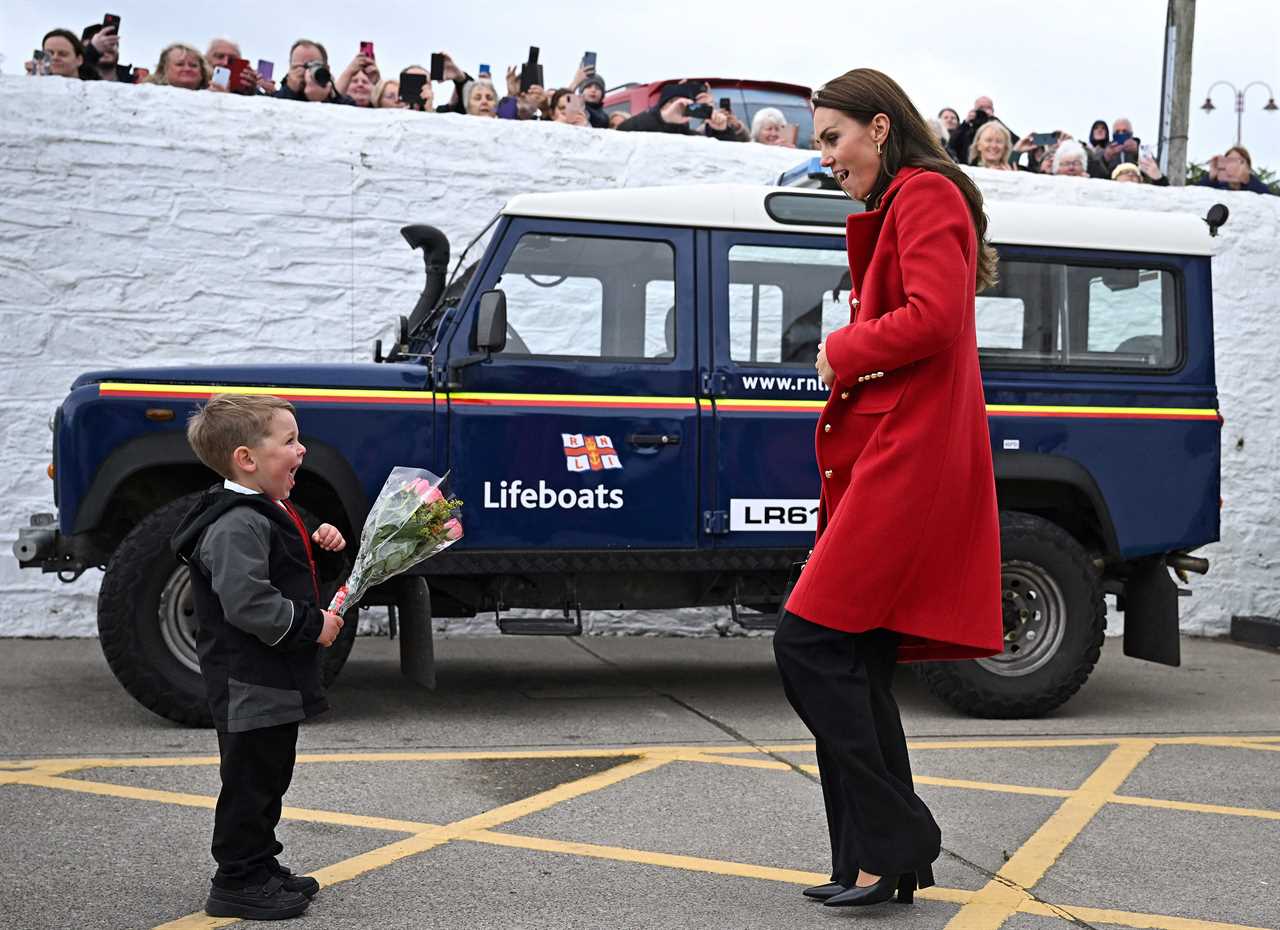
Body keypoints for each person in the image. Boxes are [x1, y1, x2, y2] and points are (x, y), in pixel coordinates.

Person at [776, 67, 1002, 910]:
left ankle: (898, 836)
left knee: (806, 644)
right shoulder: (900, 201)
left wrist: (845, 346)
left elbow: (938, 318)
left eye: (833, 138)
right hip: (890, 452)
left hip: (907, 458)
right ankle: (874, 864)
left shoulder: (926, 194)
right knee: (855, 658)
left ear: (879, 127)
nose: (826, 158)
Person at [171, 394, 347, 921]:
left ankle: (261, 866)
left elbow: (285, 573)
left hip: (271, 679)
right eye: (290, 441)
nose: (302, 450)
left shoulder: (267, 509)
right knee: (249, 784)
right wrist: (315, 626)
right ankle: (237, 881)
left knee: (270, 777)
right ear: (247, 459)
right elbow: (248, 602)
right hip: (250, 682)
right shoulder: (236, 523)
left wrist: (325, 551)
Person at [616, 82, 745, 141]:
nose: (678, 106)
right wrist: (664, 118)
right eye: (672, 102)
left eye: (683, 102)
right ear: (660, 107)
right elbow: (621, 131)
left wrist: (721, 131)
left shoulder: (693, 138)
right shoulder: (643, 127)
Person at [275, 39, 356, 105]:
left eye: (313, 66)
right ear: (290, 70)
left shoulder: (345, 104)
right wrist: (289, 92)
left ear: (326, 69)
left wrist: (324, 99)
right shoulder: (273, 100)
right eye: (298, 67)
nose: (306, 72)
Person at [947, 96, 1015, 166]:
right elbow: (951, 144)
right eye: (981, 108)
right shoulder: (967, 129)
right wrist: (965, 123)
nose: (993, 145)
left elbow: (1014, 142)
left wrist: (995, 119)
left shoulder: (998, 128)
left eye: (988, 108)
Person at [1198, 146, 1275, 194]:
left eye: (1239, 162)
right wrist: (1210, 177)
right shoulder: (1216, 184)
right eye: (1229, 161)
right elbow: (1193, 196)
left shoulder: (1258, 189)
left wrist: (1246, 179)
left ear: (1248, 167)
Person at [207, 39, 271, 95]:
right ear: (206, 60)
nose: (225, 62)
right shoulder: (197, 87)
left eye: (232, 59)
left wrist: (251, 93)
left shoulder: (249, 91)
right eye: (220, 56)